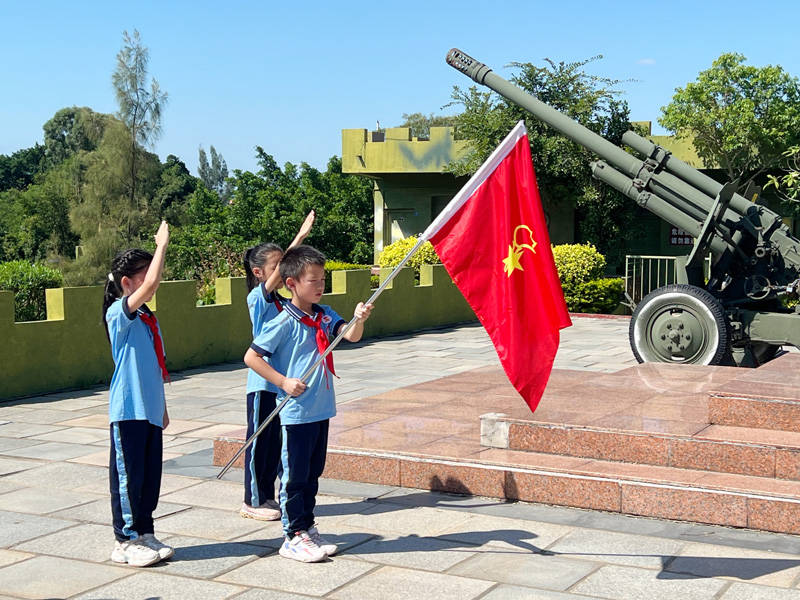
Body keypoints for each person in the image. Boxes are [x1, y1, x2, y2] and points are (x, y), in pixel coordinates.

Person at [244, 245, 373, 562]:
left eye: (322, 279)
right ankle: (292, 535)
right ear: (291, 283)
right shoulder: (282, 321)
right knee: (295, 476)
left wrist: (358, 319)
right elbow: (252, 357)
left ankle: (307, 526)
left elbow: (350, 335)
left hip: (320, 409)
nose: (320, 286)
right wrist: (283, 381)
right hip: (296, 412)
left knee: (313, 473)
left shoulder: (323, 314)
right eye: (313, 280)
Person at [102, 221, 174, 567]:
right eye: (142, 276)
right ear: (127, 284)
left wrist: (162, 407)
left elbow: (154, 366)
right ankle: (125, 540)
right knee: (128, 477)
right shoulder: (120, 313)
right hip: (128, 410)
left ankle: (145, 531)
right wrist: (161, 246)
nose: (150, 282)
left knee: (148, 477)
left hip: (149, 410)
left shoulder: (147, 318)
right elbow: (152, 285)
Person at [240, 210, 315, 521]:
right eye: (276, 266)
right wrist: (299, 238)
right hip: (263, 384)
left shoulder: (285, 303)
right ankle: (253, 500)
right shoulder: (257, 300)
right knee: (259, 444)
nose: (282, 271)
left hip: (283, 384)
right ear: (259, 273)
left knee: (275, 445)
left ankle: (269, 497)